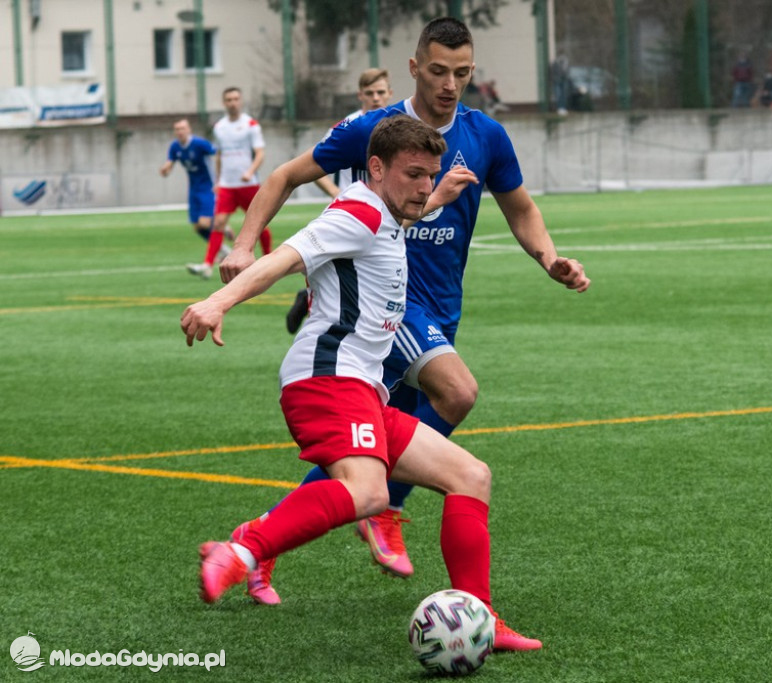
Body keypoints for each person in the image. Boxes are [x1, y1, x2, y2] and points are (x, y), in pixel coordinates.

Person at [219, 16, 588, 601]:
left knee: (377, 448)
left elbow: (520, 207)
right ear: (414, 68)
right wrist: (242, 243)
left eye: (462, 73)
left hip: (441, 308)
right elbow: (287, 175)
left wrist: (550, 259)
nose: (450, 84)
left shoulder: (486, 134)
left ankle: (261, 540)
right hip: (390, 310)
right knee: (457, 393)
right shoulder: (373, 131)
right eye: (438, 71)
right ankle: (384, 507)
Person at [182, 114, 541, 651]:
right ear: (375, 169)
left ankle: (482, 621)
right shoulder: (356, 210)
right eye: (413, 175)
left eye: (431, 175)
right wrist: (217, 301)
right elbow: (286, 258)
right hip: (326, 379)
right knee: (370, 491)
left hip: (362, 388)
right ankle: (242, 550)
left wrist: (434, 195)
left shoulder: (386, 209)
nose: (423, 187)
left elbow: (399, 217)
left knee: (471, 475)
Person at [285, 68, 395, 334]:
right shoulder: (350, 127)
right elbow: (314, 168)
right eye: (370, 93)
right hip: (354, 219)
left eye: (381, 92)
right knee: (350, 283)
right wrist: (337, 193)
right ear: (360, 95)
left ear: (390, 93)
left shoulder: (399, 127)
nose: (376, 98)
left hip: (391, 217)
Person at [187, 87, 273, 279]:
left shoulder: (251, 124)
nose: (232, 102)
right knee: (218, 223)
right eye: (229, 99)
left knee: (258, 224)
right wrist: (218, 180)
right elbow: (219, 155)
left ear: (240, 101)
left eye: (235, 99)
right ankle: (207, 265)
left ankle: (269, 260)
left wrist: (250, 171)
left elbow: (260, 153)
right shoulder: (219, 127)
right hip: (227, 185)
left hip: (248, 185)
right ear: (224, 102)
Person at [159, 118, 219, 246]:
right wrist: (165, 169)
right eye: (177, 129)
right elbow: (169, 162)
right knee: (197, 227)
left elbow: (218, 153)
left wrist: (220, 180)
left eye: (182, 128)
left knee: (205, 223)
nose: (180, 132)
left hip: (208, 187)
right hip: (193, 189)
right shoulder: (175, 146)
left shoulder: (199, 144)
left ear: (189, 130)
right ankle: (223, 250)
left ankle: (222, 225)